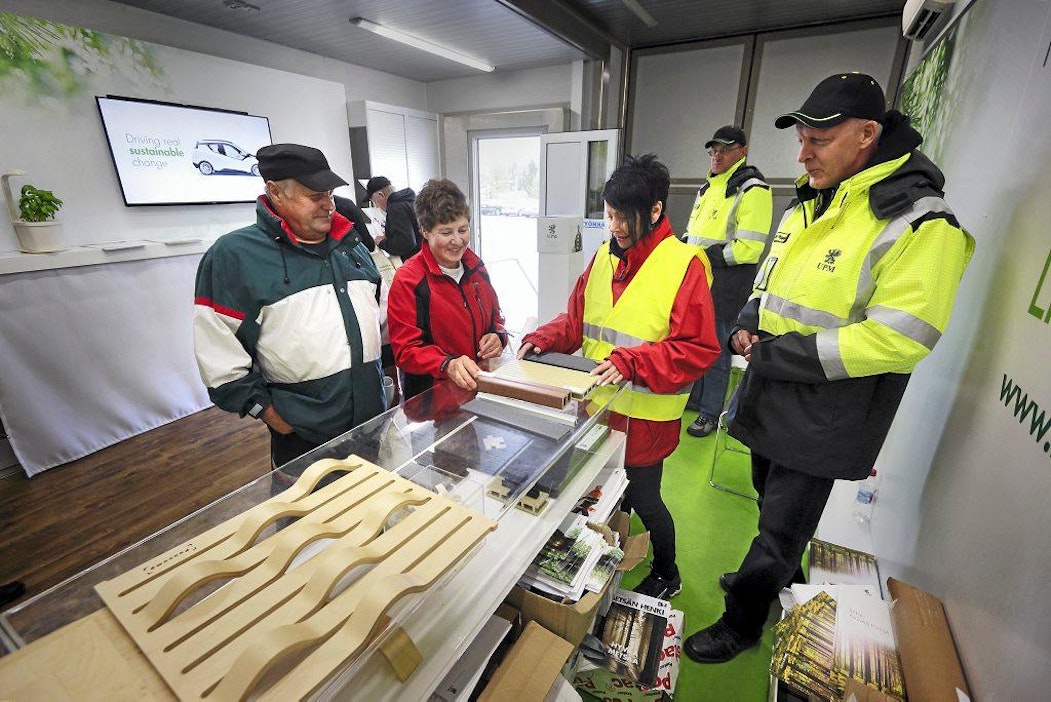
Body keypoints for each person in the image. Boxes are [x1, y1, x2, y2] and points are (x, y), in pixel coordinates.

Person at [684, 73, 974, 663]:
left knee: (780, 528)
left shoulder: (920, 222)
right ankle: (777, 579)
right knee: (769, 504)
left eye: (818, 139)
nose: (803, 154)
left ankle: (742, 622)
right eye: (802, 139)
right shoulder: (813, 200)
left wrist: (776, 353)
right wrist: (746, 318)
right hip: (773, 390)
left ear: (867, 134)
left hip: (827, 410)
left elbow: (901, 338)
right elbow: (770, 277)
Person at [519, 154, 720, 600]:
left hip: (647, 419)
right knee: (607, 495)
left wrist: (633, 361)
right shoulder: (603, 259)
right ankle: (612, 554)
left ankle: (667, 573)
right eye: (610, 216)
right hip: (598, 411)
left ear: (655, 209)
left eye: (625, 217)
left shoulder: (684, 264)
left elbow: (697, 349)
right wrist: (542, 339)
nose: (616, 227)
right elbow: (576, 322)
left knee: (646, 500)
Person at [193, 143, 387, 477]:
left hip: (369, 427)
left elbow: (376, 325)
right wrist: (269, 414)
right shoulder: (235, 257)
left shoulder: (351, 247)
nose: (329, 205)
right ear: (274, 192)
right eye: (315, 196)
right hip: (302, 437)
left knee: (372, 506)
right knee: (308, 511)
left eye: (330, 194)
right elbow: (218, 354)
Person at [682, 126, 773, 438]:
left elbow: (749, 248)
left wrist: (703, 256)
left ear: (742, 151)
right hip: (699, 279)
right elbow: (692, 234)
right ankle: (696, 399)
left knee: (716, 349)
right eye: (713, 150)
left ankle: (710, 413)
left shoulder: (753, 189)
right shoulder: (708, 188)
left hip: (727, 284)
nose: (716, 156)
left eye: (724, 150)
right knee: (694, 342)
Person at [387, 178, 508, 400]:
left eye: (463, 230)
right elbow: (405, 351)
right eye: (446, 232)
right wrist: (446, 364)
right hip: (433, 399)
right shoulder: (409, 279)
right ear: (425, 232)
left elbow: (496, 318)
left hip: (479, 388)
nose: (457, 241)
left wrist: (498, 336)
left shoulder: (476, 268)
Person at [365, 175, 422, 260]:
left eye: (374, 201)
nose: (376, 206)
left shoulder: (395, 207)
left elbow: (406, 243)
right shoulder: (409, 201)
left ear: (381, 195)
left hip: (416, 260)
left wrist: (382, 243)